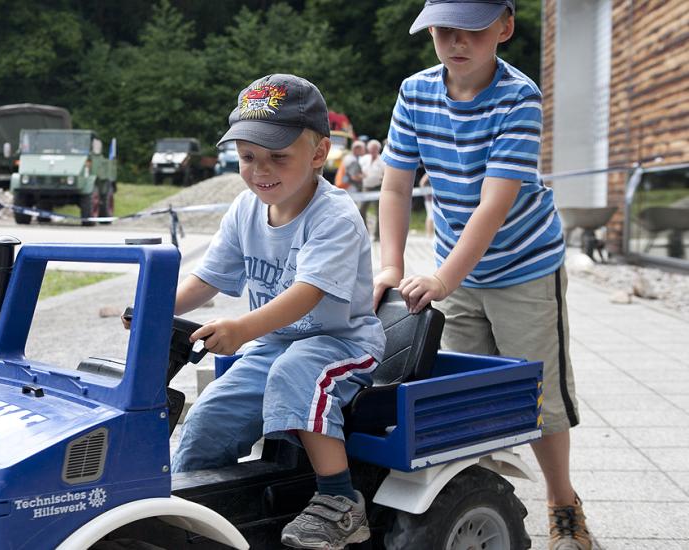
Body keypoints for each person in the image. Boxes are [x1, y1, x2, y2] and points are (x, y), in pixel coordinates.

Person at [374, 1, 592, 549]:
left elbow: (494, 206)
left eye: (472, 29)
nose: (456, 42)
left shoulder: (518, 98)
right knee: (464, 396)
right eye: (443, 30)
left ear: (504, 27)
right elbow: (397, 186)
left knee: (538, 397)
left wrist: (443, 280)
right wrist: (392, 265)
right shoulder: (415, 92)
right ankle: (473, 498)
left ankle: (562, 504)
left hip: (524, 266)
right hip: (459, 266)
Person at [170, 74, 384, 549]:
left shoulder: (335, 215)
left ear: (318, 153)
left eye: (278, 157)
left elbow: (308, 293)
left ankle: (339, 502)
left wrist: (243, 328)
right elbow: (206, 280)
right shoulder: (245, 210)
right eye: (248, 157)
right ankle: (190, 503)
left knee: (295, 371)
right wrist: (154, 307)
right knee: (210, 414)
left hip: (342, 342)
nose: (260, 170)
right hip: (274, 343)